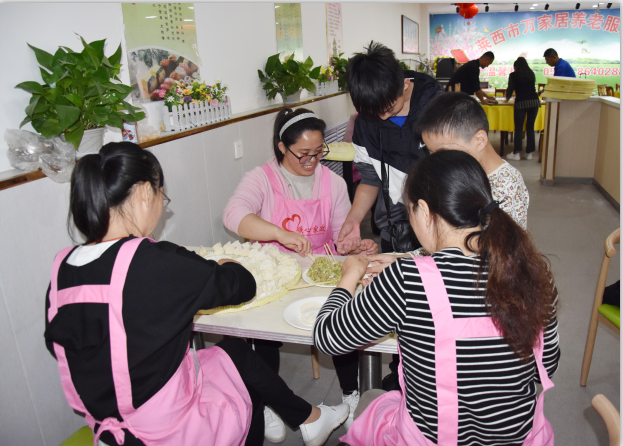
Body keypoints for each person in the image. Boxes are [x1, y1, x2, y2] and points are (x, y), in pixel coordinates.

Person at [44, 142, 349, 446]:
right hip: (167, 426)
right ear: (144, 193)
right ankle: (292, 420)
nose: (161, 206)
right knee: (247, 390)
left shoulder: (63, 269)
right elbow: (242, 285)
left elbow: (63, 342)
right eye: (161, 195)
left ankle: (309, 419)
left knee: (235, 353)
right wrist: (227, 263)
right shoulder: (154, 262)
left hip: (112, 426)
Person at [313, 149, 560, 446]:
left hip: (433, 440)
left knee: (372, 403)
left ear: (424, 210)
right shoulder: (533, 272)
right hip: (519, 439)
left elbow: (327, 337)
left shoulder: (408, 278)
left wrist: (349, 276)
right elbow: (546, 365)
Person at [224, 108, 377, 433]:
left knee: (342, 321)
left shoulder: (333, 183)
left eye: (319, 151)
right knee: (263, 334)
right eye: (303, 153)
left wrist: (353, 245)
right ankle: (267, 403)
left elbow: (340, 238)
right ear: (282, 147)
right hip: (275, 274)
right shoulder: (261, 179)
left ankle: (350, 394)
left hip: (320, 272)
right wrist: (279, 234)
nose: (312, 160)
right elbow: (233, 214)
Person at [336, 41, 443, 257]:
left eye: (389, 109)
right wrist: (354, 219)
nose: (383, 117)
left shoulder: (438, 109)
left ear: (405, 85)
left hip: (440, 223)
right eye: (376, 113)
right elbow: (370, 179)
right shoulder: (366, 122)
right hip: (395, 229)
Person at [416, 92, 529, 230]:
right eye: (430, 153)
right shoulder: (462, 172)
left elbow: (502, 242)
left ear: (479, 141)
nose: (436, 161)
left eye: (444, 152)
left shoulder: (506, 188)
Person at [504, 57, 541, 160]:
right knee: (530, 127)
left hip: (521, 103)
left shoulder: (513, 75)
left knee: (519, 128)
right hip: (534, 102)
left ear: (516, 66)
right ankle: (529, 153)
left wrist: (507, 99)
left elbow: (510, 89)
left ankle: (516, 153)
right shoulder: (531, 74)